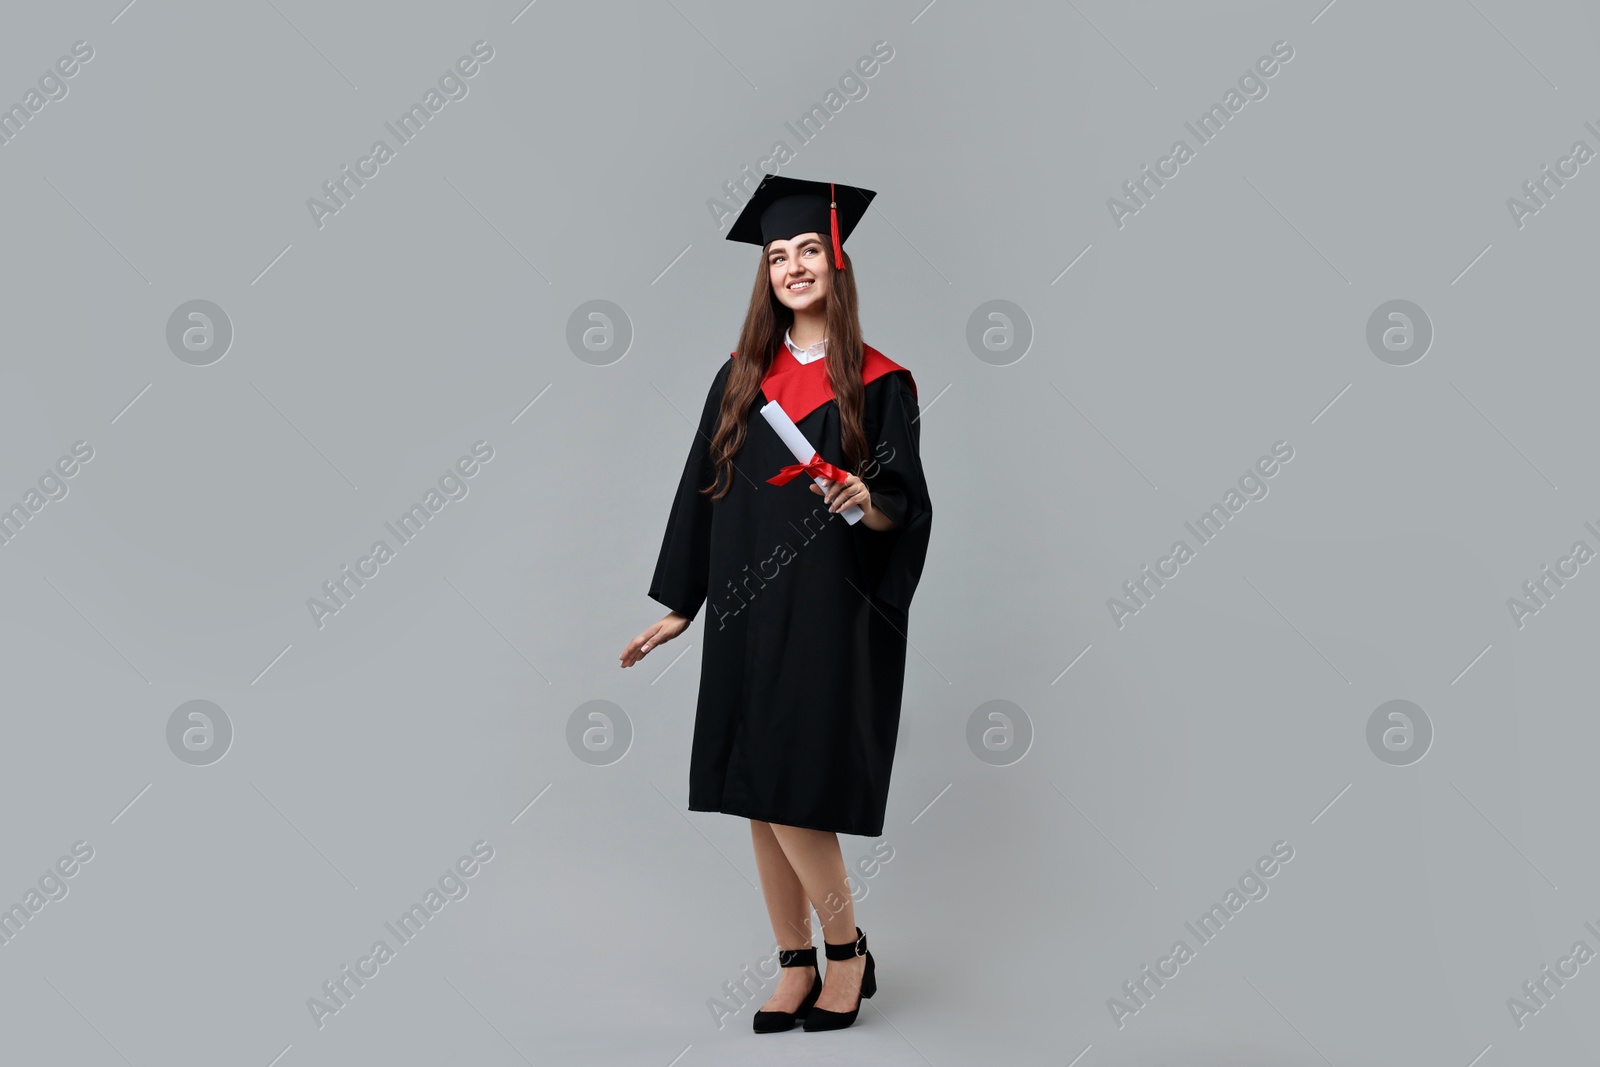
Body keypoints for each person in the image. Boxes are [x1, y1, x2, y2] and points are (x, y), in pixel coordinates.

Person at [619, 175, 933, 1033]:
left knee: (794, 788)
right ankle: (792, 963)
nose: (792, 266)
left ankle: (848, 954)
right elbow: (701, 489)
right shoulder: (741, 378)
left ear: (836, 261)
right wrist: (682, 603)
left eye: (806, 251)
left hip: (829, 609)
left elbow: (902, 499)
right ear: (766, 274)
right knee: (756, 789)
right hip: (746, 612)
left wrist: (858, 498)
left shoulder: (882, 382)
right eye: (776, 255)